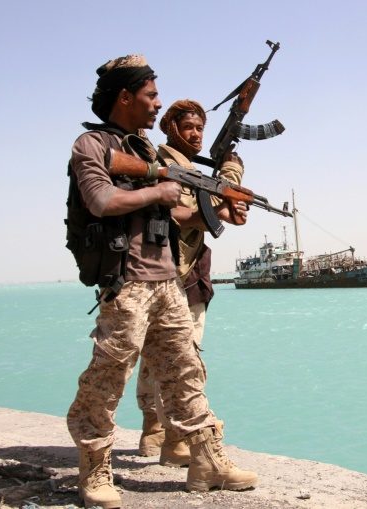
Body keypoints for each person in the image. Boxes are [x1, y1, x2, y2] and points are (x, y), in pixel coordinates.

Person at [66, 55, 257, 509]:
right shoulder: (91, 144)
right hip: (127, 283)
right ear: (125, 97)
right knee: (109, 375)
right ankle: (94, 467)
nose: (157, 104)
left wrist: (221, 207)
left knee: (186, 372)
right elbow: (100, 200)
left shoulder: (149, 151)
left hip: (167, 279)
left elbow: (175, 213)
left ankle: (206, 460)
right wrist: (158, 188)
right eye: (151, 96)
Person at [136, 99, 246, 467]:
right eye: (188, 127)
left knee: (155, 356)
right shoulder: (164, 166)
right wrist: (231, 176)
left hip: (177, 269)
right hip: (177, 273)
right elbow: (178, 213)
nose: (196, 134)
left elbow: (211, 205)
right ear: (171, 129)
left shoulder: (182, 167)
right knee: (185, 357)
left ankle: (153, 428)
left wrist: (229, 186)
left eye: (200, 128)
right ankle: (176, 437)